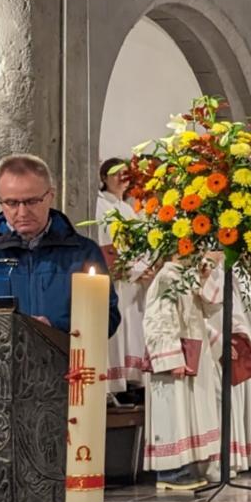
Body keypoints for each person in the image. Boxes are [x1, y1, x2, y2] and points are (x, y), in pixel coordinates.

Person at [0, 154, 120, 335]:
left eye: (32, 201)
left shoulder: (83, 252)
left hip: (63, 359)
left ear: (50, 196)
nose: (22, 212)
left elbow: (108, 317)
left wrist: (55, 327)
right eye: (11, 203)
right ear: (0, 201)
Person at [142, 254, 224, 485]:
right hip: (175, 356)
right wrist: (170, 357)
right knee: (172, 413)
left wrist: (205, 277)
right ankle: (170, 472)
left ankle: (186, 467)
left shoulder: (187, 276)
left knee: (188, 414)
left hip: (193, 351)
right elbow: (158, 320)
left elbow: (211, 307)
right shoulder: (167, 277)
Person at [96, 158, 148, 394]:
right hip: (116, 276)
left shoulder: (127, 209)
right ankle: (113, 385)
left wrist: (145, 267)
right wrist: (132, 269)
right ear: (104, 177)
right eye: (116, 173)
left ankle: (129, 381)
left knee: (131, 329)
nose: (121, 179)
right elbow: (104, 243)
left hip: (133, 280)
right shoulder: (99, 206)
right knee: (116, 331)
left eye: (125, 174)